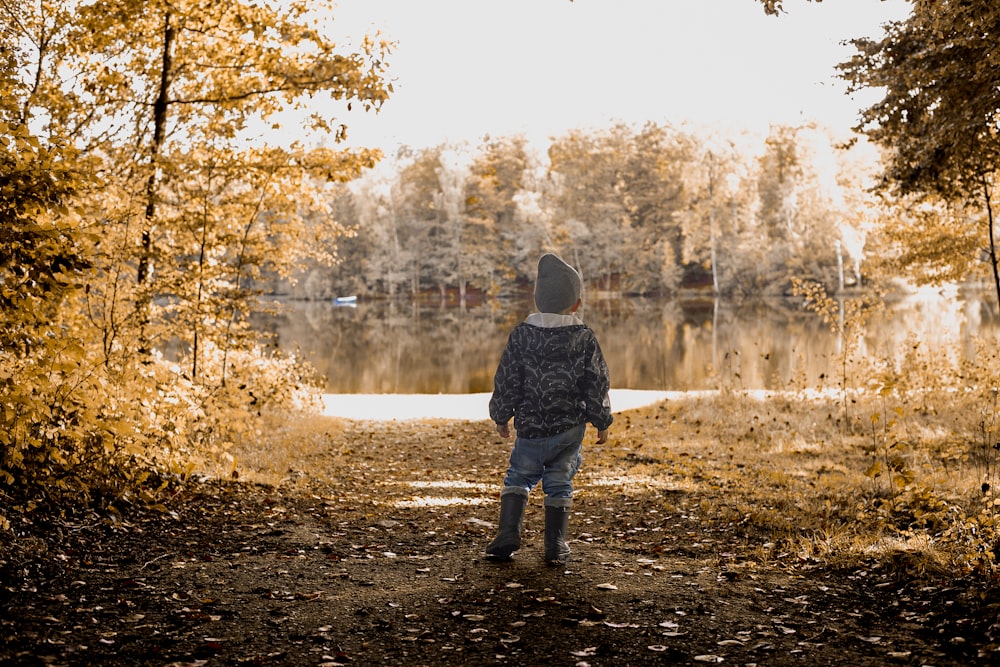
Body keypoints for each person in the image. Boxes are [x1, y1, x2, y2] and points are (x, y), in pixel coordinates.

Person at [486, 253, 612, 565]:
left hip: (530, 427)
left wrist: (502, 415)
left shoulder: (522, 335)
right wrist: (601, 419)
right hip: (568, 428)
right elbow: (596, 381)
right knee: (560, 480)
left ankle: (507, 533)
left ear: (538, 300)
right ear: (577, 303)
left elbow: (507, 378)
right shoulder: (582, 337)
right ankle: (555, 544)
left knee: (518, 476)